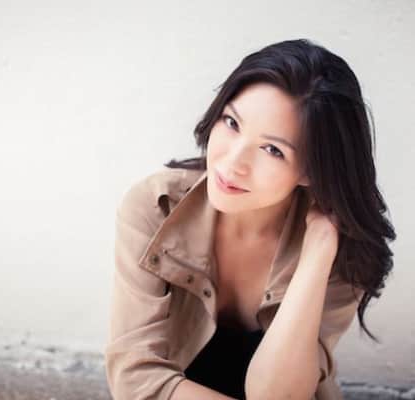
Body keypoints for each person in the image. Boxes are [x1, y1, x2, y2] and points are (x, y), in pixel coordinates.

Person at [104, 38, 396, 400]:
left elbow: (281, 397)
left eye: (272, 150)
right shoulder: (154, 208)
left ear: (311, 170)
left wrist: (318, 251)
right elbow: (134, 380)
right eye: (231, 122)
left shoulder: (341, 246)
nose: (233, 163)